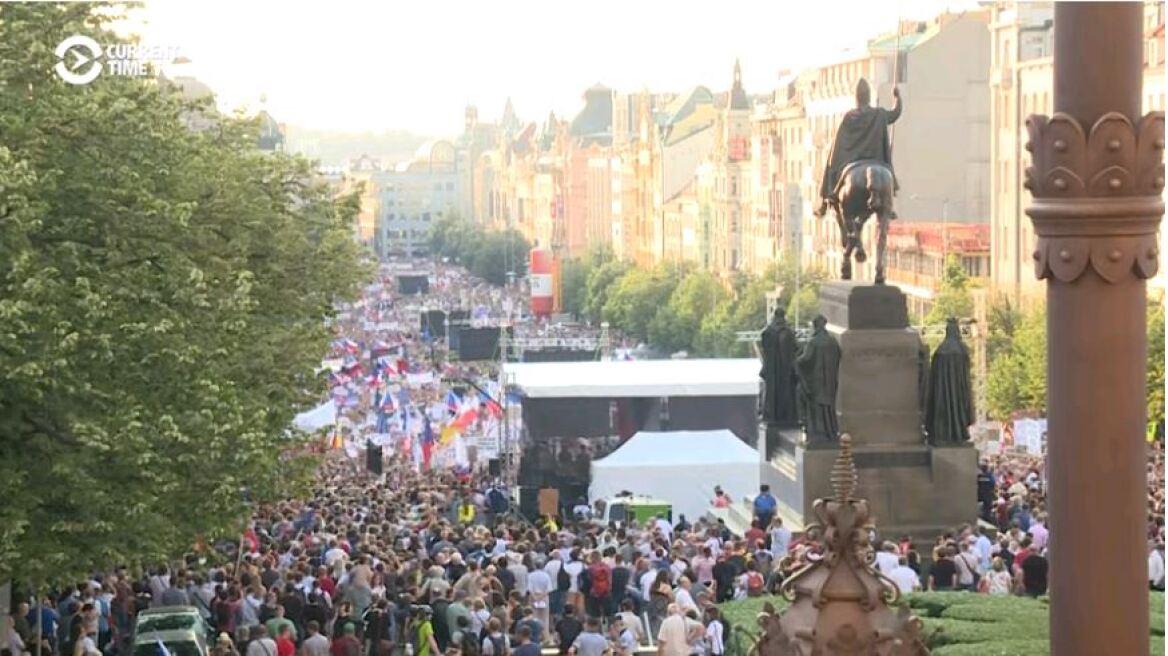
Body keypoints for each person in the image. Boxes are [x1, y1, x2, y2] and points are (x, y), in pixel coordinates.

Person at [813, 78, 902, 218]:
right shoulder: (879, 114)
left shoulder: (849, 117)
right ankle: (888, 205)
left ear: (857, 98)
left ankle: (826, 199)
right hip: (876, 160)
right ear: (868, 96)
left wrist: (833, 161)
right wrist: (897, 98)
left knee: (831, 156)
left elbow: (839, 144)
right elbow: (895, 113)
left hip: (853, 160)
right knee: (886, 176)